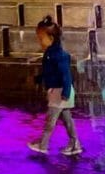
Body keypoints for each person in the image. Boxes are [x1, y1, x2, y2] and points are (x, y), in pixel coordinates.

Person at [28, 15, 83, 156]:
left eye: (41, 38)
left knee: (50, 120)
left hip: (60, 92)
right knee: (67, 120)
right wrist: (40, 78)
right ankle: (75, 144)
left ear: (51, 39)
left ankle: (43, 144)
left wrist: (65, 92)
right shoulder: (50, 53)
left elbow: (66, 75)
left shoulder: (59, 55)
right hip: (57, 92)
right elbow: (49, 72)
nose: (39, 41)